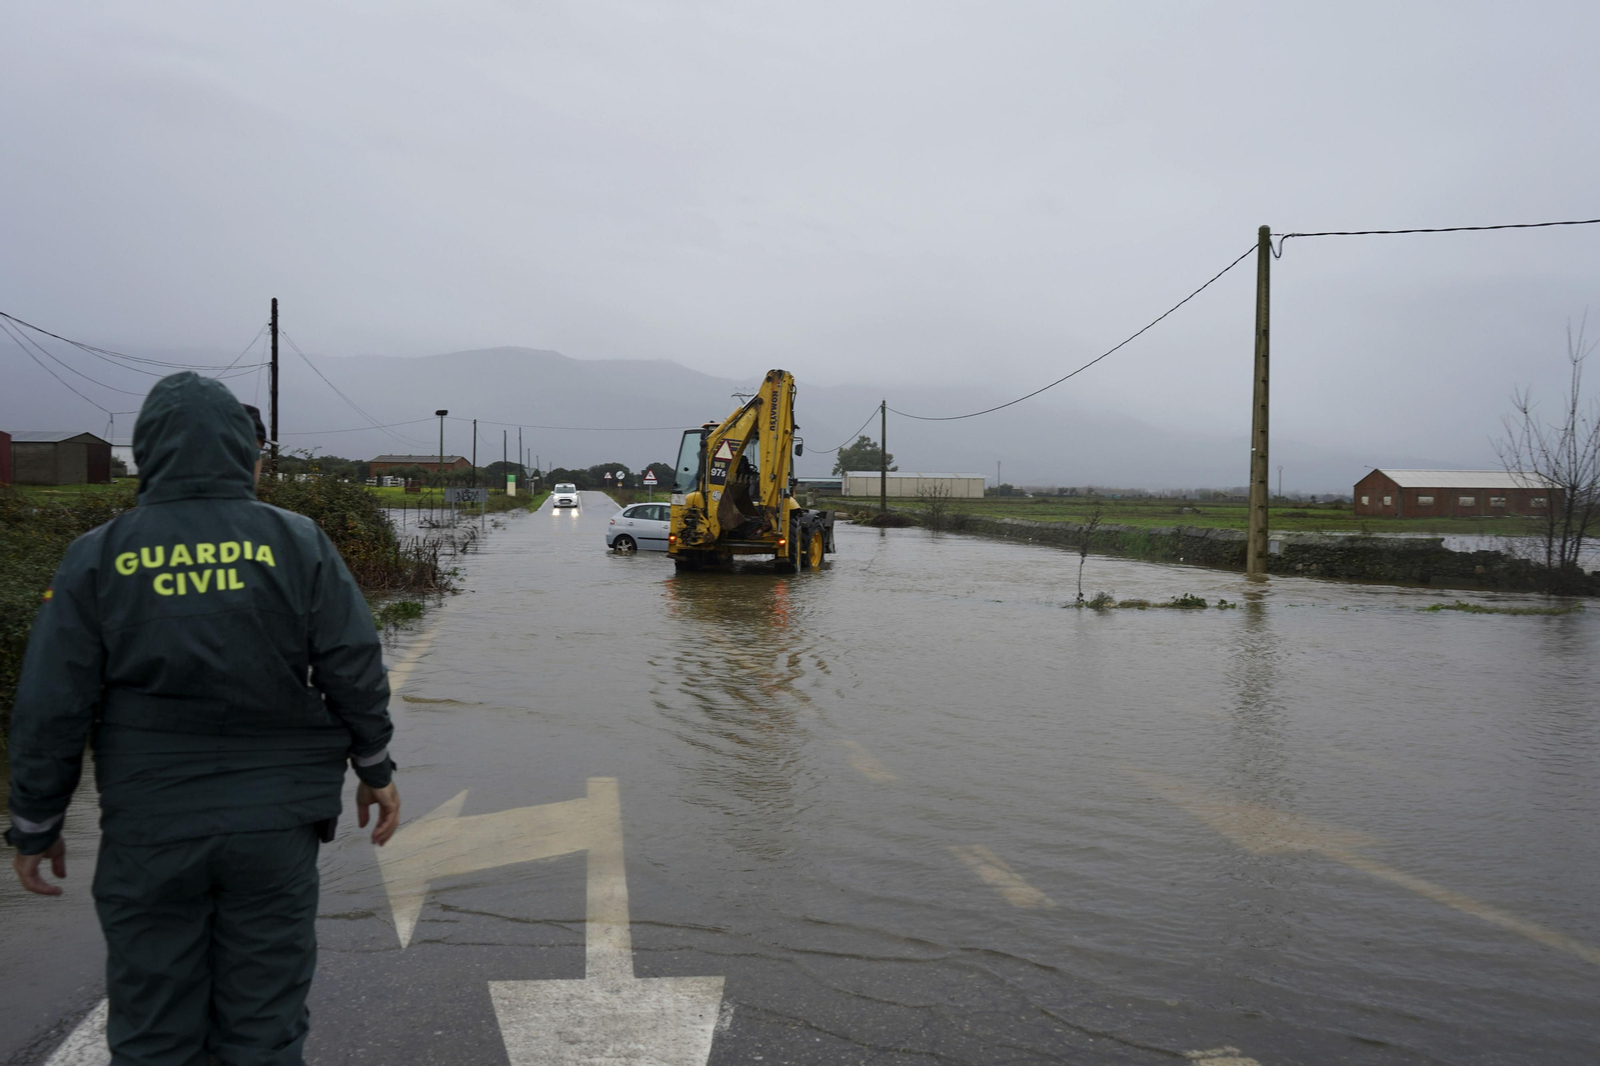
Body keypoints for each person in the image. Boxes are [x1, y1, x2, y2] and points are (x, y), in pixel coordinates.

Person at [6, 373, 401, 1065]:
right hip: (275, 830)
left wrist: (37, 822)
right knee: (264, 1026)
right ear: (242, 454)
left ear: (149, 452)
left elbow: (51, 704)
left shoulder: (97, 556)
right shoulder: (298, 542)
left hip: (151, 828)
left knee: (155, 1030)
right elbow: (353, 664)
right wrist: (375, 767)